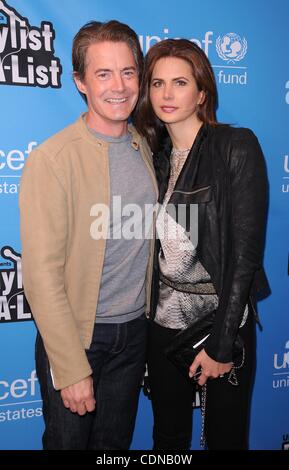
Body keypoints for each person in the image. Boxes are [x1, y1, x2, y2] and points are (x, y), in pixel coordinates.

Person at [19, 20, 158, 450]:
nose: (119, 86)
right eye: (103, 73)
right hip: (78, 336)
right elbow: (40, 275)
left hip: (134, 334)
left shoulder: (145, 145)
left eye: (128, 72)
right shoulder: (53, 159)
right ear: (80, 81)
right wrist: (70, 366)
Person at [135, 38, 269, 450]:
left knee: (224, 439)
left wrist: (223, 342)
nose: (167, 94)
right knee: (168, 437)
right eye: (157, 83)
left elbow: (244, 256)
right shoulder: (151, 154)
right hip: (162, 324)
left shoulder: (235, 146)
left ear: (202, 93)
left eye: (180, 82)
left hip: (220, 322)